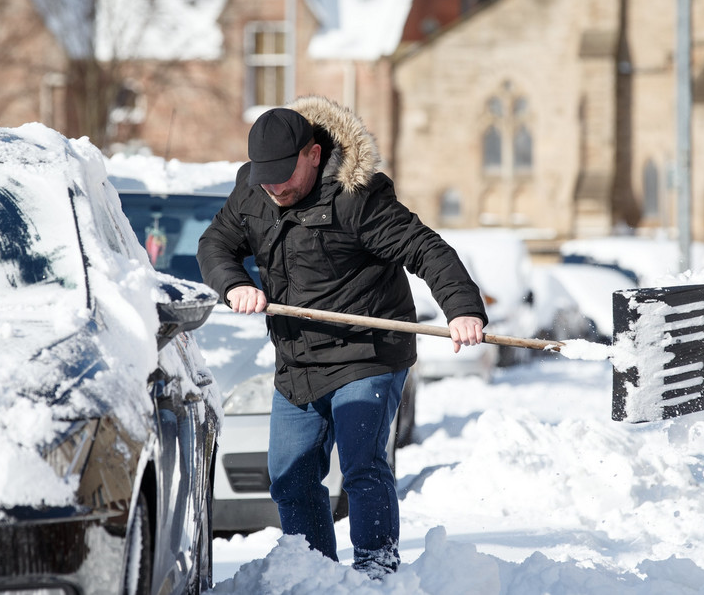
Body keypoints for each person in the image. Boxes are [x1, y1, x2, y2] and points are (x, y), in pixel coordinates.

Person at [198, 96, 488, 577]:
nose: (273, 187)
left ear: (313, 154)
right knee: (290, 477)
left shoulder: (358, 197)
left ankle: (377, 571)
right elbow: (215, 244)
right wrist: (234, 282)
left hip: (367, 351)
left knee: (361, 468)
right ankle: (314, 572)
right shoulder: (253, 193)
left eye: (282, 174)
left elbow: (426, 249)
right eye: (263, 175)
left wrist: (462, 309)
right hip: (297, 360)